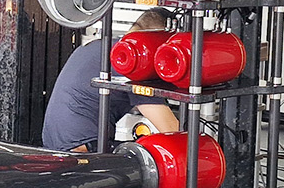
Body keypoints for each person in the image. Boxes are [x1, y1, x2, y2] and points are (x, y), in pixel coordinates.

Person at [42, 8, 182, 153]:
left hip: (55, 144)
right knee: (152, 158)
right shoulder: (134, 63)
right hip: (81, 149)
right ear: (157, 41)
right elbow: (171, 131)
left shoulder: (101, 46)